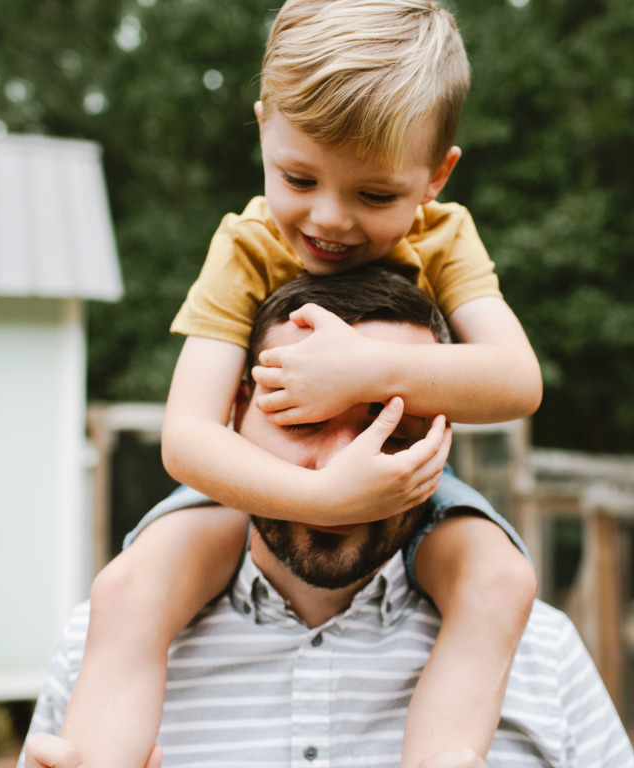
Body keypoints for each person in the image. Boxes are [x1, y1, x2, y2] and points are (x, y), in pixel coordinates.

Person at [62, 2, 544, 767]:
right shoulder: (248, 247)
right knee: (131, 588)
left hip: (410, 490)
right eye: (298, 176)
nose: (329, 219)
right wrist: (324, 499)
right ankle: (95, 757)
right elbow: (188, 439)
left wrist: (370, 370)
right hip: (250, 490)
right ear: (263, 130)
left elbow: (516, 382)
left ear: (437, 175)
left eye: (375, 195)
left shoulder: (444, 235)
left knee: (501, 580)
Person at [22, 270, 634, 768]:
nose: (350, 468)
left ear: (445, 432)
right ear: (231, 411)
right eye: (301, 418)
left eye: (393, 424)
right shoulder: (100, 644)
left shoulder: (543, 652)